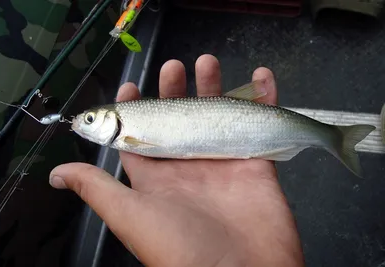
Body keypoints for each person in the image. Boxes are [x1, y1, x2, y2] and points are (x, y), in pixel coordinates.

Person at [49, 54, 305, 266]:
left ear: (112, 119)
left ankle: (333, 137)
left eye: (90, 119)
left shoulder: (128, 136)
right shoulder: (125, 134)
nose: (84, 123)